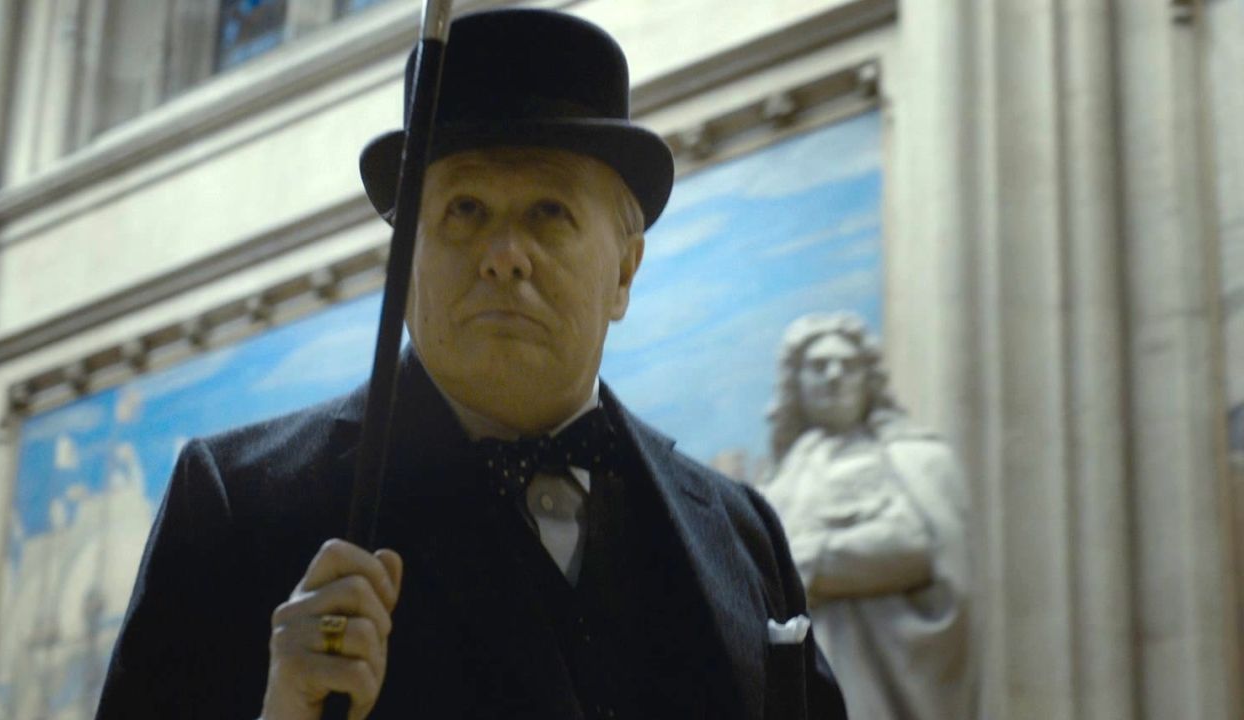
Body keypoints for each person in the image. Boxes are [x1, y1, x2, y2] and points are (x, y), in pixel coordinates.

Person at [95, 9, 846, 720]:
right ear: (406, 256)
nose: (504, 256)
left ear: (623, 270)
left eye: (549, 212)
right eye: (465, 210)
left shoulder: (744, 534)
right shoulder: (237, 508)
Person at [761, 313, 973, 720]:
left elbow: (915, 547)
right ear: (796, 383)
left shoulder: (915, 460)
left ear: (868, 378)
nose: (834, 376)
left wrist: (812, 560)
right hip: (804, 668)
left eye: (848, 365)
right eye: (818, 366)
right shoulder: (782, 476)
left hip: (879, 669)